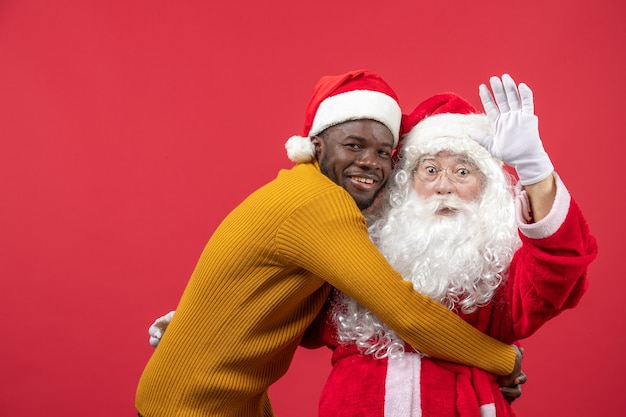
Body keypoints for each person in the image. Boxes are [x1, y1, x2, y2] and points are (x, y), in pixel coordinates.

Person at [135, 70, 523, 417]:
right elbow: (406, 314)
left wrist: (194, 320)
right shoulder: (321, 204)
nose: (371, 162)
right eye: (353, 146)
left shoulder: (296, 189)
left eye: (382, 151)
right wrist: (503, 359)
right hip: (192, 407)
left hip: (225, 401)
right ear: (316, 147)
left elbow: (285, 311)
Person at [312, 76, 597, 416]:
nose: (444, 186)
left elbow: (559, 268)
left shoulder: (498, 271)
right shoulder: (351, 246)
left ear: (486, 188)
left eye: (462, 172)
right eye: (429, 170)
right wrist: (503, 360)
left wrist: (535, 171)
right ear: (405, 183)